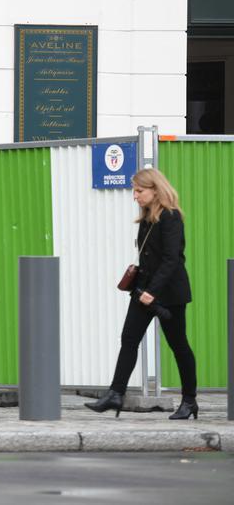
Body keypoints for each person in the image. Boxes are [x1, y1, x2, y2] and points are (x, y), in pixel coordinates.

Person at [86, 168, 198, 419]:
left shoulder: (171, 217)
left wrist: (152, 292)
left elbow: (172, 260)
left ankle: (189, 401)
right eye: (134, 190)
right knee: (129, 339)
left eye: (139, 190)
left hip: (169, 293)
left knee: (178, 345)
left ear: (155, 190)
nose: (135, 195)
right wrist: (142, 289)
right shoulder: (148, 217)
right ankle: (115, 394)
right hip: (144, 290)